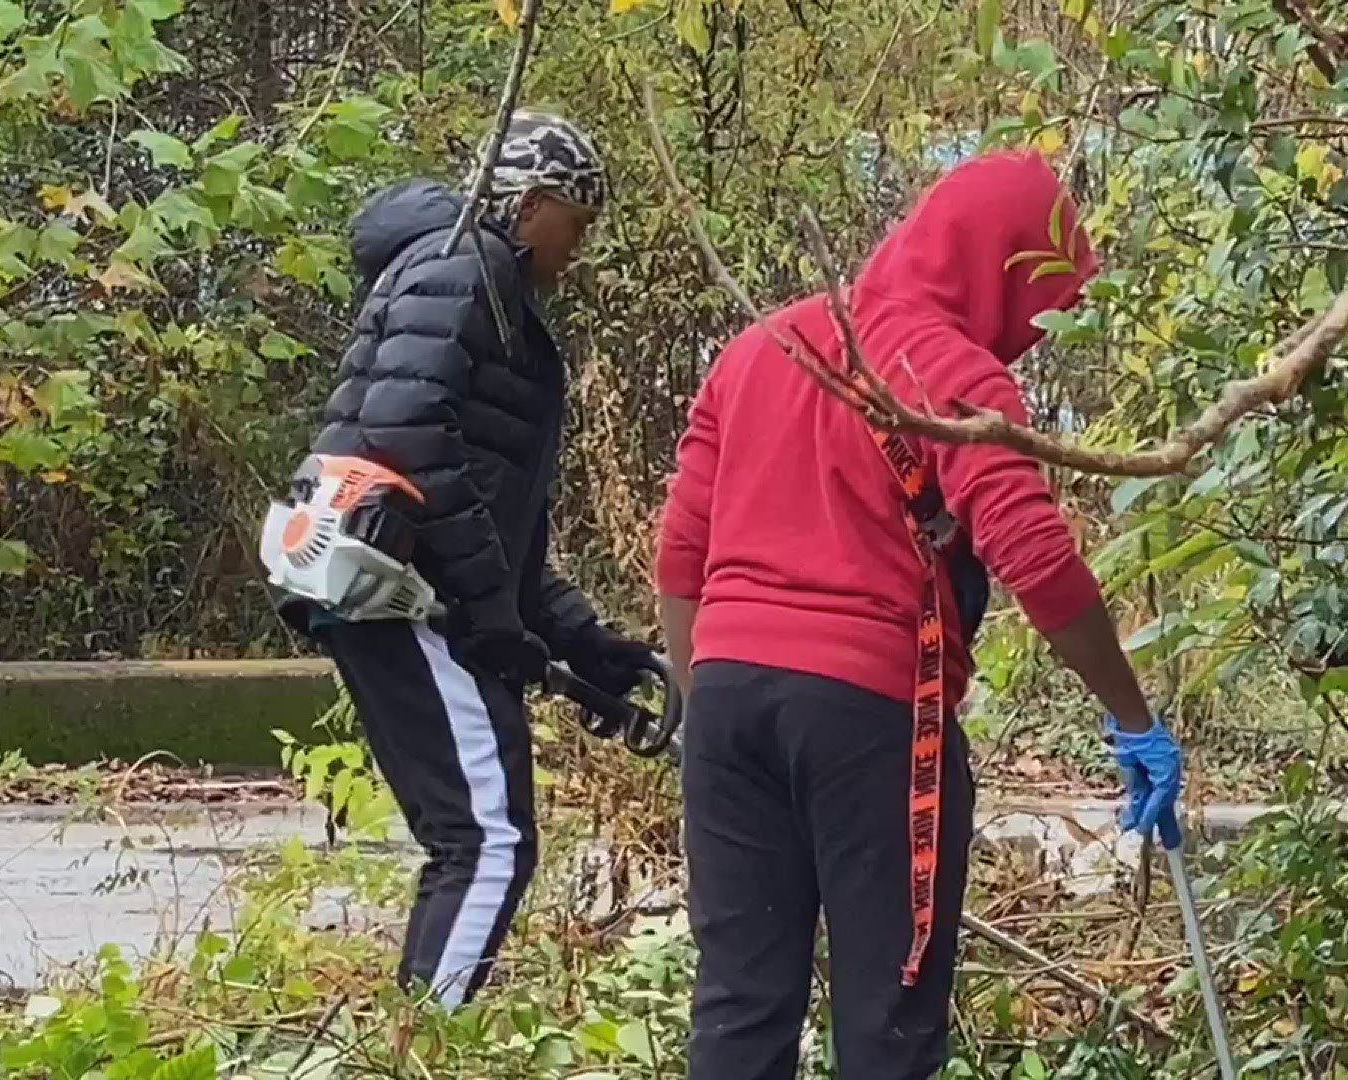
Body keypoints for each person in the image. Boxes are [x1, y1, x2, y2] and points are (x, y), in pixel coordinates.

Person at [653, 150, 1184, 1080]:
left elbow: (679, 559)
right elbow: (1036, 557)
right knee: (887, 1023)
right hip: (868, 720)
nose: (1045, 332)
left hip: (727, 705)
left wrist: (712, 709)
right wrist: (1132, 716)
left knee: (738, 1010)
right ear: (1005, 267)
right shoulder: (948, 368)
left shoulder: (758, 348)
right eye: (1047, 303)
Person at [286, 111, 656, 1008]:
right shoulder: (465, 267)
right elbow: (405, 437)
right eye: (580, 219)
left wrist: (575, 638)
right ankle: (427, 1049)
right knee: (486, 842)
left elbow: (493, 516)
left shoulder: (473, 282)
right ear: (532, 204)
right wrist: (493, 616)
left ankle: (421, 1037)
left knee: (477, 838)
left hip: (417, 590)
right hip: (400, 593)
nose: (582, 245)